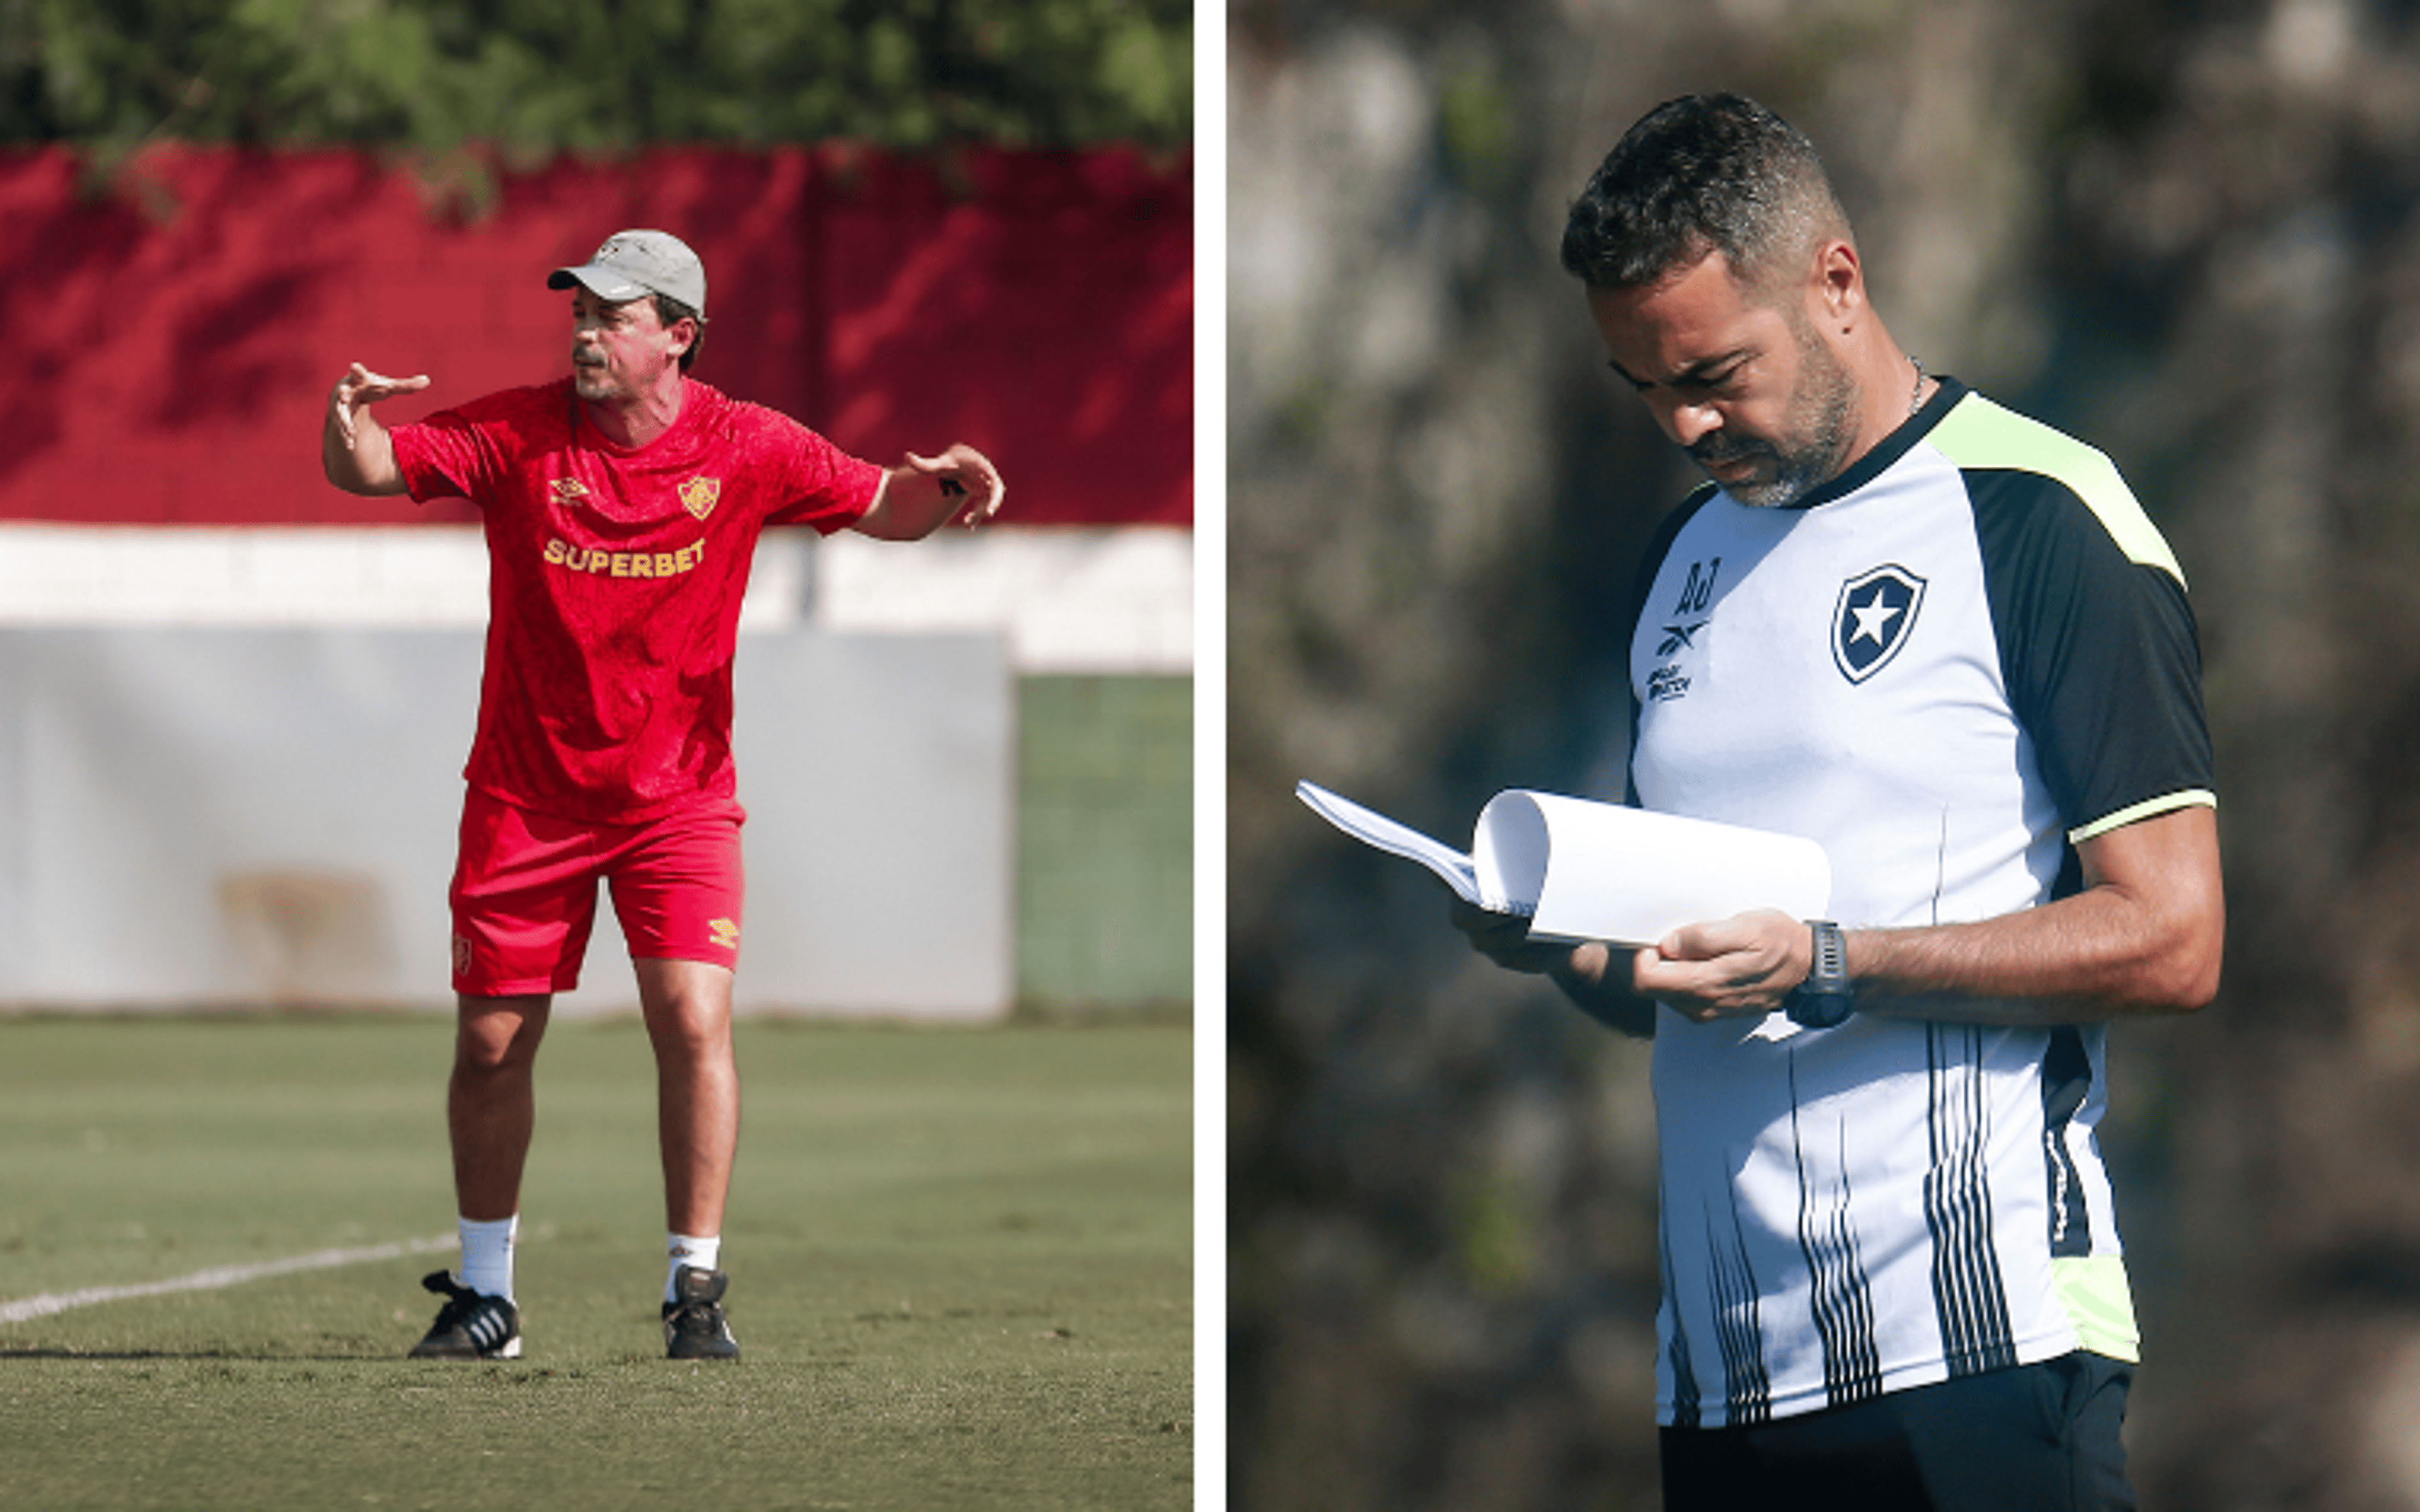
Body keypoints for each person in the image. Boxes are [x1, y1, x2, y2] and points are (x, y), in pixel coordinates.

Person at [1454, 95, 2223, 1508]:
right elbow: (1681, 974)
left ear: (1838, 282)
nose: (1687, 422)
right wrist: (1563, 947)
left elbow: (2173, 940)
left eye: (1714, 372)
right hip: (1722, 1370)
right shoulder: (1681, 565)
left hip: (1983, 1344)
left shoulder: (2039, 514)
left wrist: (1834, 961)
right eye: (1645, 387)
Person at [320, 228, 1005, 1362]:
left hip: (677, 800)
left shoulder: (747, 444)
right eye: (580, 315)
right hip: (527, 795)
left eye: (613, 317)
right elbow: (375, 469)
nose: (586, 335)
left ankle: (696, 1290)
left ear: (677, 336)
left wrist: (944, 486)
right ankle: (486, 1297)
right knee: (491, 1041)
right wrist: (346, 424)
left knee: (692, 1020)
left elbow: (881, 500)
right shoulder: (516, 432)